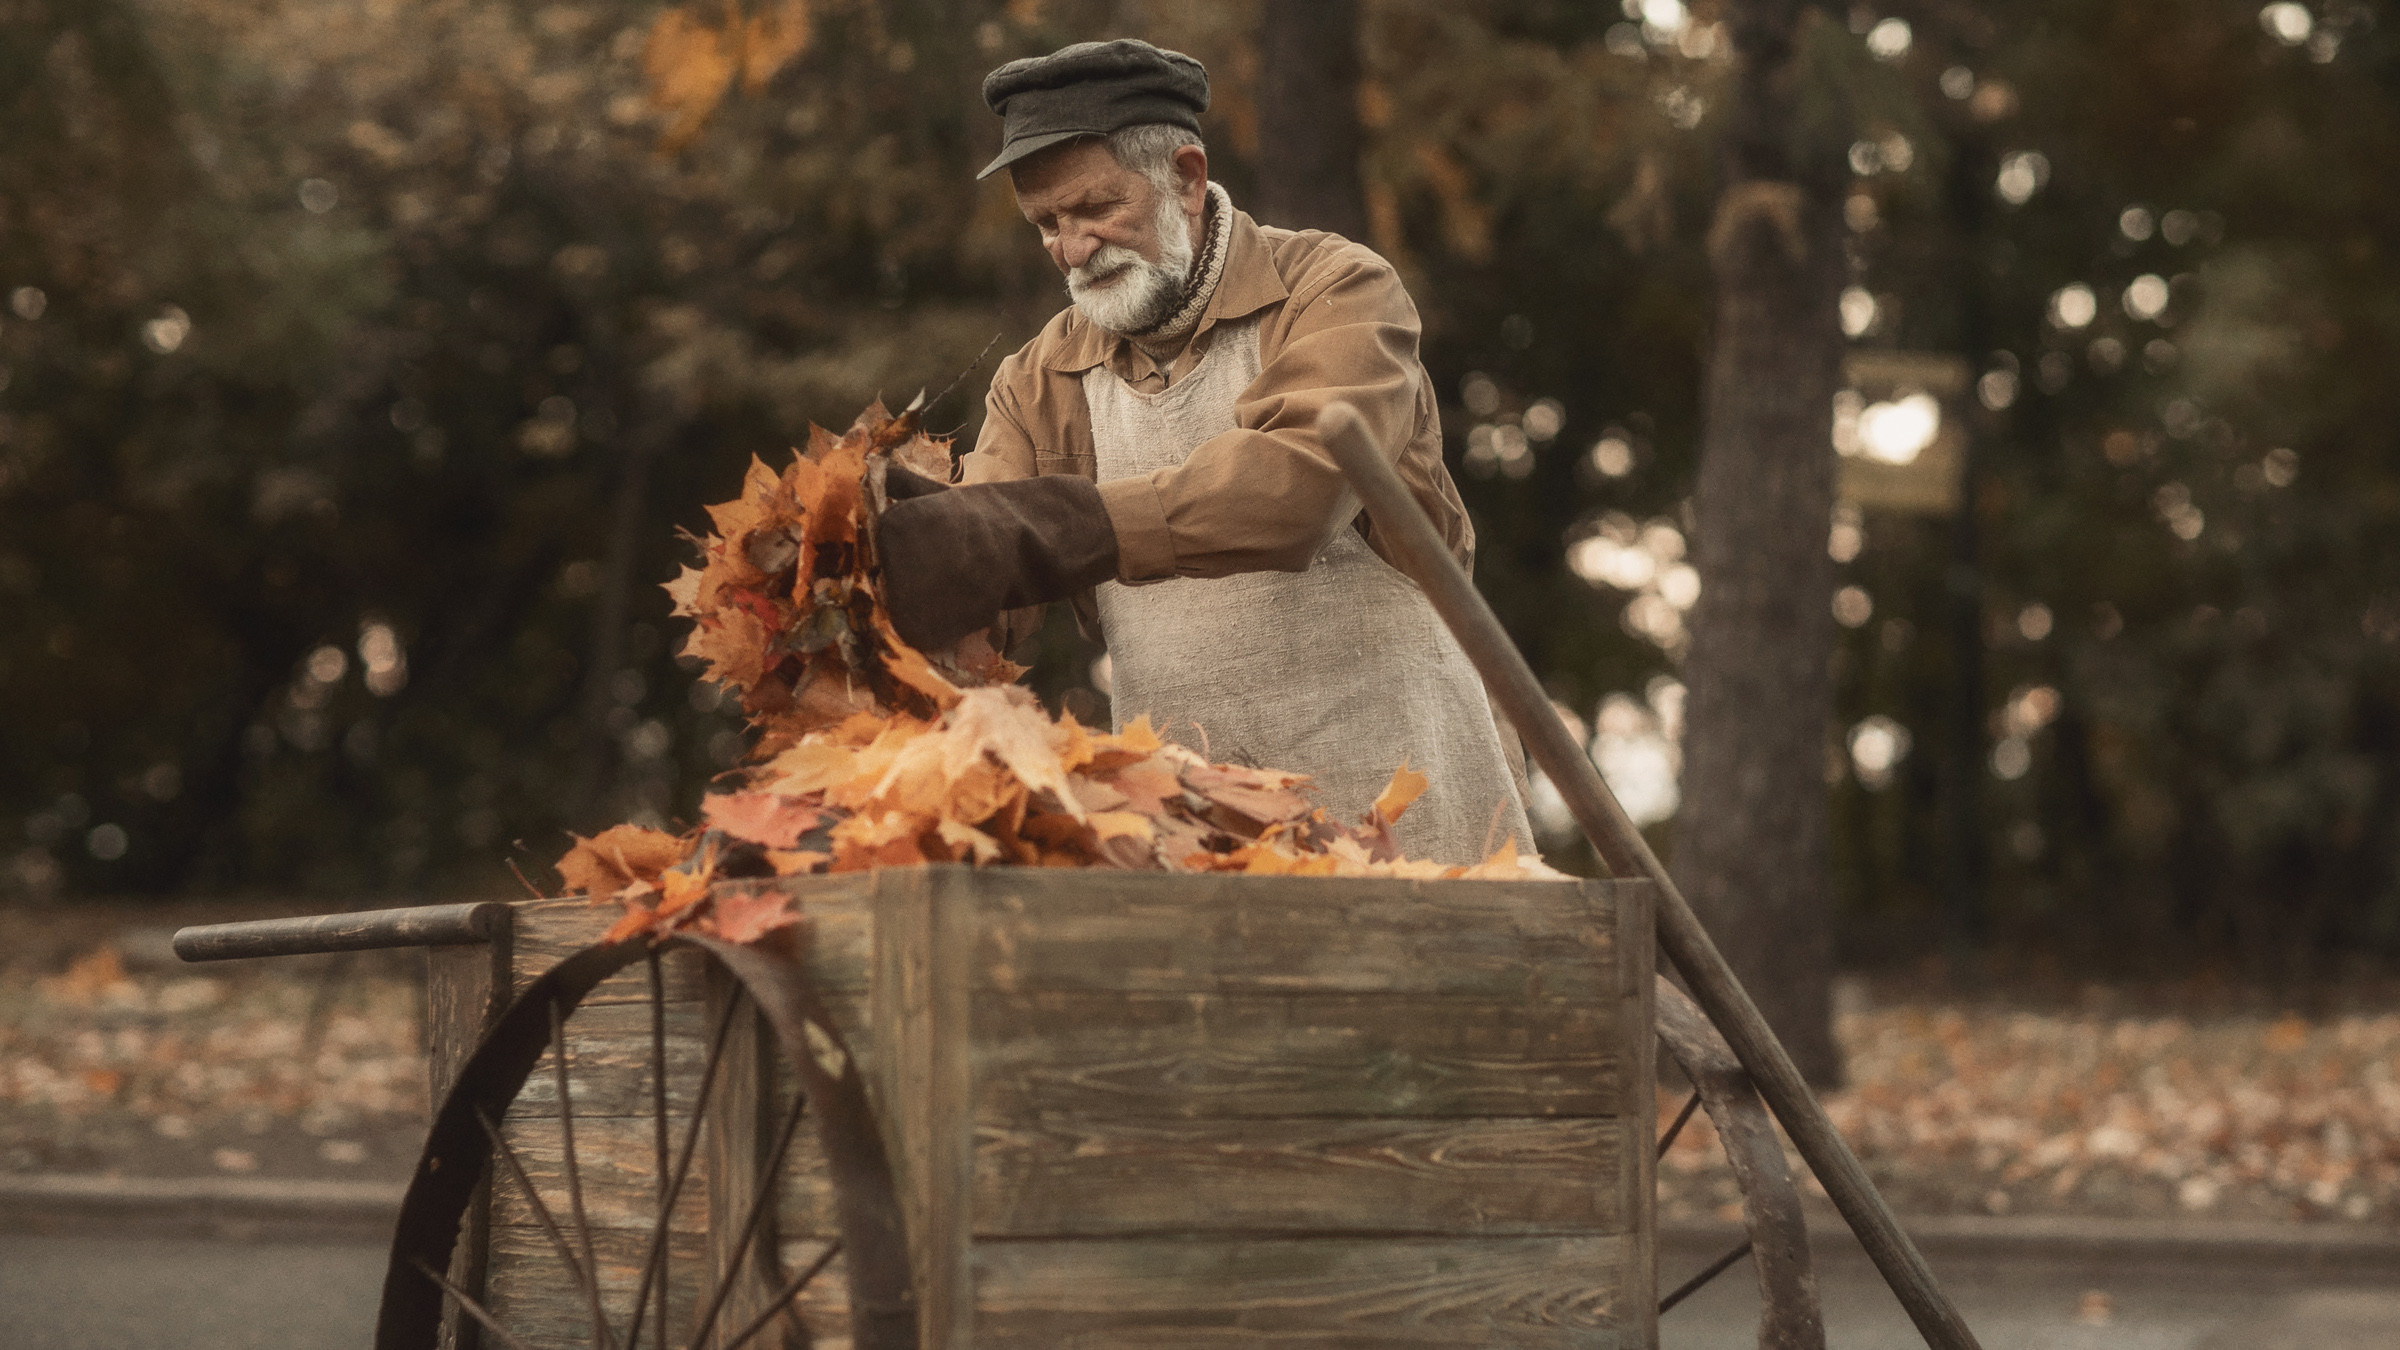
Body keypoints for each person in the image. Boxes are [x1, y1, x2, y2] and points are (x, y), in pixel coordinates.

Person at [878, 38, 1529, 863]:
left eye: (1095, 210)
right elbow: (992, 561)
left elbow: (1299, 489)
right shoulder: (1037, 378)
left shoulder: (1336, 291)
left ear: (1185, 177)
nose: (1071, 249)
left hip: (1409, 816)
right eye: (1046, 224)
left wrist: (1053, 528)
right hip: (1193, 839)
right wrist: (893, 573)